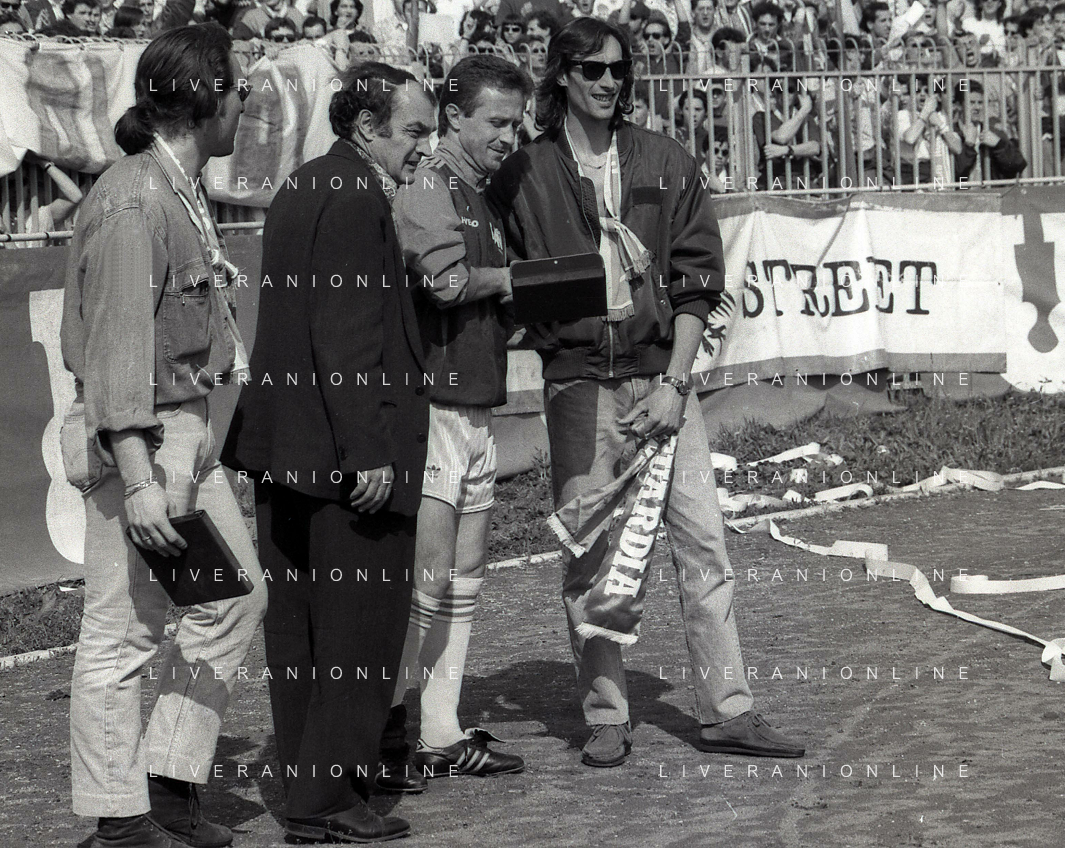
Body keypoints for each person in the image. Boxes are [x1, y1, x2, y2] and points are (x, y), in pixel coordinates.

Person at [487, 16, 805, 769]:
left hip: (663, 383)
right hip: (577, 386)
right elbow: (501, 277)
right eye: (592, 69)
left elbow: (697, 283)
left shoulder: (665, 159)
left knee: (703, 546)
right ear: (562, 75)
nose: (608, 81)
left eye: (618, 69)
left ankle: (728, 710)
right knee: (590, 556)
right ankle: (606, 714)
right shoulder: (523, 172)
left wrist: (675, 384)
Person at [59, 23, 265, 848]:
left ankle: (169, 784)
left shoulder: (177, 186)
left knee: (234, 598)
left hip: (185, 431)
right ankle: (118, 822)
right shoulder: (135, 200)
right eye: (239, 87)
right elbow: (117, 353)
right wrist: (140, 479)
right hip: (140, 439)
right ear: (206, 97)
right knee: (123, 632)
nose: (246, 101)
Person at [220, 61, 435, 845]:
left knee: (302, 634)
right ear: (367, 127)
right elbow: (345, 331)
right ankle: (328, 798)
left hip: (289, 449)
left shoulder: (304, 184)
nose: (424, 147)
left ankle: (311, 794)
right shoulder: (353, 197)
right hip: (343, 458)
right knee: (358, 633)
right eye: (413, 131)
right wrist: (366, 449)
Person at [377, 54, 532, 794]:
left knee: (464, 574)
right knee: (427, 577)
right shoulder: (429, 183)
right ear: (454, 116)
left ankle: (440, 730)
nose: (509, 136)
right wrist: (515, 281)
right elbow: (442, 284)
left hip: (475, 403)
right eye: (496, 121)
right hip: (433, 405)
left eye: (516, 123)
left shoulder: (480, 193)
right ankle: (387, 736)